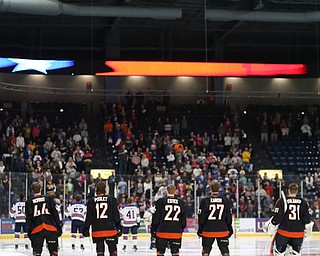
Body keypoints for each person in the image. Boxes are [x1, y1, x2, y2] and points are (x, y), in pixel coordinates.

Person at [263, 183, 313, 256]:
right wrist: (307, 232)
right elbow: (307, 220)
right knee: (295, 254)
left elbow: (278, 217)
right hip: (298, 234)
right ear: (297, 191)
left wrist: (272, 225)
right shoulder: (303, 202)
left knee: (279, 253)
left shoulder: (282, 201)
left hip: (283, 233)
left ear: (288, 190)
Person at [82, 181, 122, 256]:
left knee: (100, 252)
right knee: (113, 251)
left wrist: (86, 228)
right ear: (105, 189)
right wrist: (119, 226)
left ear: (96, 190)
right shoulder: (112, 199)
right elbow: (116, 215)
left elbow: (89, 217)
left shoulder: (91, 201)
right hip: (110, 230)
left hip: (97, 230)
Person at [25, 182, 62, 256]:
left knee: (37, 252)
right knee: (54, 252)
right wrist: (59, 226)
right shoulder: (48, 198)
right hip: (50, 228)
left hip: (36, 229)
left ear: (32, 190)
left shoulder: (29, 202)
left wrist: (29, 230)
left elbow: (28, 218)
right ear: (41, 189)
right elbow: (55, 213)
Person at [197, 181, 233, 256]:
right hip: (222, 230)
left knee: (206, 251)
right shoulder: (225, 200)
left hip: (208, 230)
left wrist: (200, 229)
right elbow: (228, 217)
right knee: (225, 251)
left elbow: (201, 218)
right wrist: (229, 228)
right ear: (219, 189)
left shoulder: (205, 201)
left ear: (210, 189)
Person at [151, 184, 186, 256]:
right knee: (175, 252)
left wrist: (153, 229)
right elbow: (183, 220)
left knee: (160, 252)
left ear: (167, 191)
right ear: (175, 191)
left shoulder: (161, 201)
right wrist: (181, 228)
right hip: (176, 232)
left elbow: (156, 218)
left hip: (162, 232)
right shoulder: (180, 202)